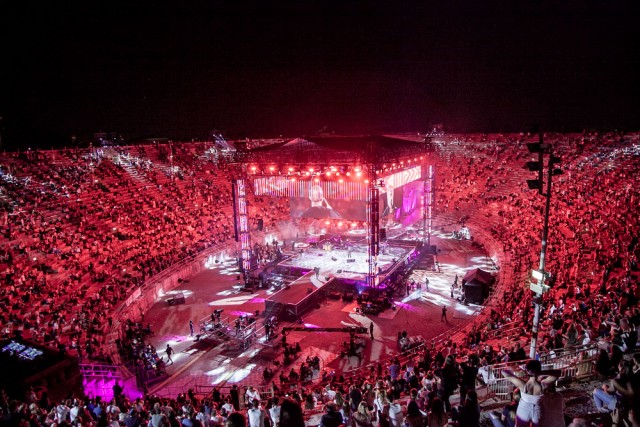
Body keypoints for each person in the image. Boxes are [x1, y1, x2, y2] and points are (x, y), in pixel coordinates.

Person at [502, 360, 560, 427]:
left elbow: (504, 372)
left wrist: (517, 372)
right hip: (537, 411)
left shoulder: (523, 384)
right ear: (539, 370)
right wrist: (540, 372)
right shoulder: (543, 384)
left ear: (527, 370)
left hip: (523, 410)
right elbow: (558, 373)